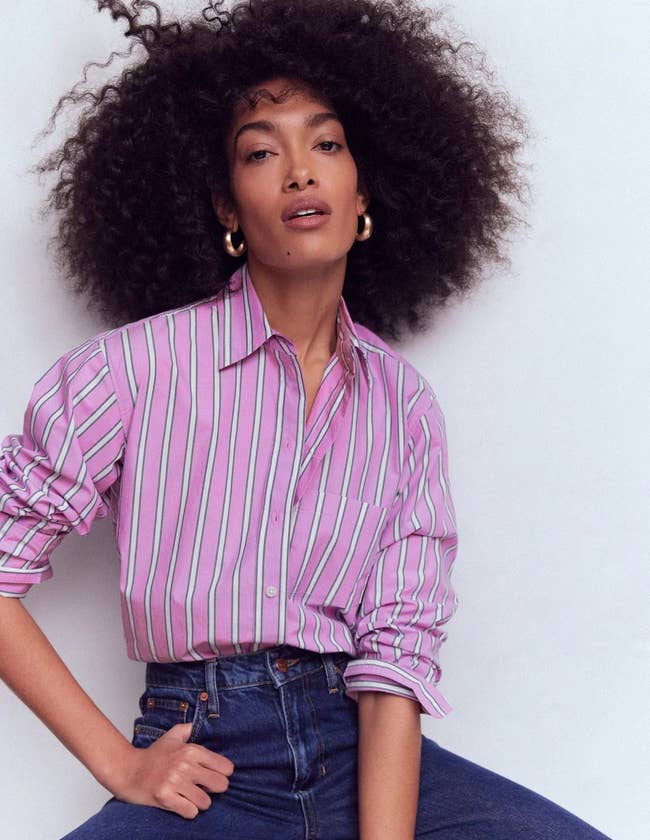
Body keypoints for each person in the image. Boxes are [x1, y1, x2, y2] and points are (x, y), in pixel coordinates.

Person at [0, 1, 612, 838]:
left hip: (361, 750)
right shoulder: (132, 370)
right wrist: (119, 763)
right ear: (227, 208)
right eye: (261, 152)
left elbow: (394, 660)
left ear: (363, 191)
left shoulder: (402, 405)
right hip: (204, 759)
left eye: (325, 144)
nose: (299, 172)